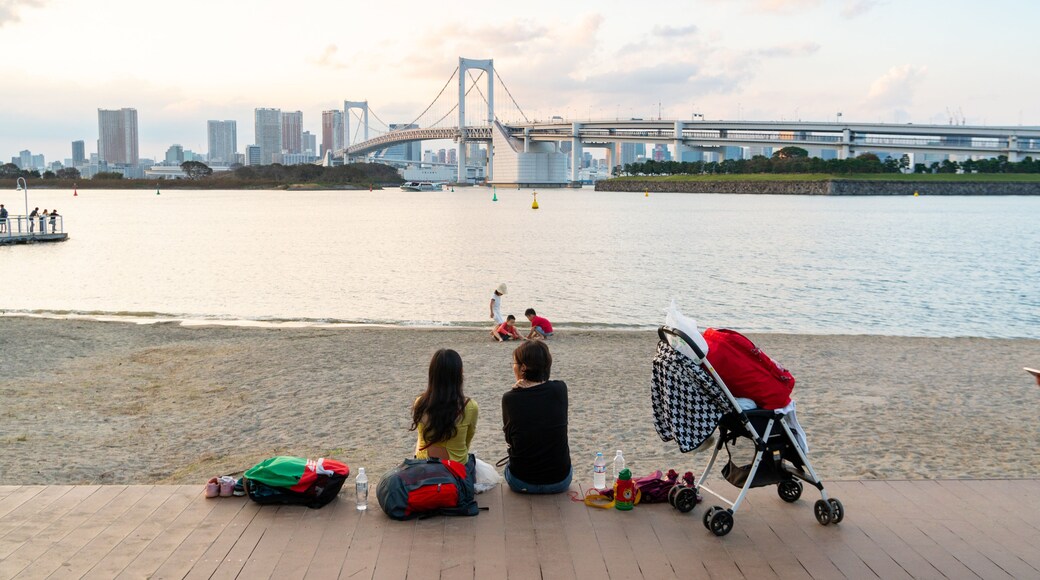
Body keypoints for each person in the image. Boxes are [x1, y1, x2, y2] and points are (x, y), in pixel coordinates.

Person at [501, 341, 572, 494]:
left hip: (521, 482)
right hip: (560, 480)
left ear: (523, 367)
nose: (513, 367)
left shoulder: (510, 398)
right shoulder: (560, 389)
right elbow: (544, 387)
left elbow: (509, 439)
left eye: (514, 363)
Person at [411, 349, 478, 464]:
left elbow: (421, 438)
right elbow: (467, 442)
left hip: (424, 464)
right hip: (455, 466)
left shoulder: (420, 403)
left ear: (432, 374)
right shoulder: (470, 406)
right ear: (460, 373)